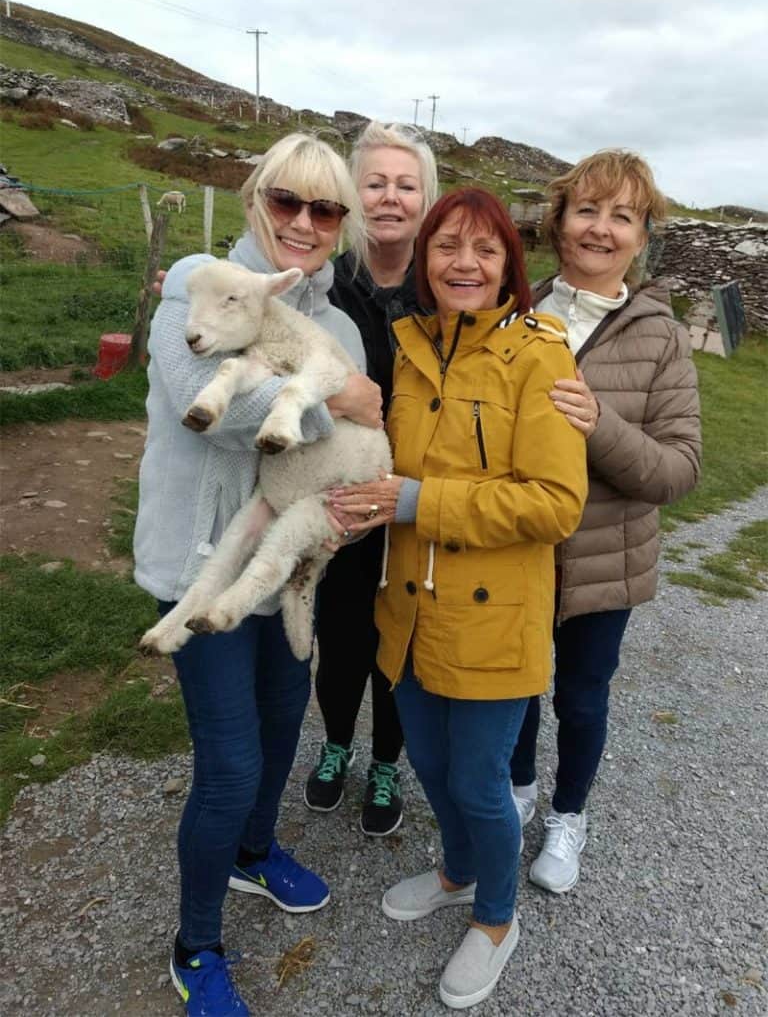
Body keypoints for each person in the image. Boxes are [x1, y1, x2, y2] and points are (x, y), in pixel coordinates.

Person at [133, 133, 382, 1017]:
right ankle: (196, 942)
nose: (305, 224)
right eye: (287, 201)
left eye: (326, 209)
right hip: (200, 559)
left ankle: (251, 855)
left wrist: (353, 480)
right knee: (231, 764)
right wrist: (336, 402)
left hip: (284, 565)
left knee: (284, 730)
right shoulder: (195, 285)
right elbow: (215, 410)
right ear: (255, 198)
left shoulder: (339, 322)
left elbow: (357, 441)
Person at [329, 188, 588, 1009]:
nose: (464, 264)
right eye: (447, 247)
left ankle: (497, 919)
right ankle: (456, 869)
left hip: (494, 618)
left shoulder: (542, 352)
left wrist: (417, 502)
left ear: (510, 262)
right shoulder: (408, 347)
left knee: (480, 783)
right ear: (425, 258)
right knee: (432, 766)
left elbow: (554, 502)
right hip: (408, 604)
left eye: (484, 249)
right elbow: (381, 460)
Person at [509, 149, 702, 895]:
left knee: (583, 694)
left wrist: (600, 425)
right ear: (559, 221)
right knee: (517, 684)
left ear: (641, 235)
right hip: (519, 544)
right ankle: (520, 788)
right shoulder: (516, 308)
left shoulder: (661, 335)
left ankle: (568, 815)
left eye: (622, 216)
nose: (601, 228)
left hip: (605, 560)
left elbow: (679, 468)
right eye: (587, 209)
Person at [305, 122, 439, 836]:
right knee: (342, 629)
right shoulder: (326, 278)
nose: (390, 196)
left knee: (402, 634)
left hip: (415, 495)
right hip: (343, 488)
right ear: (353, 194)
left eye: (406, 184)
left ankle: (387, 759)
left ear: (425, 198)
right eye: (375, 182)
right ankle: (334, 745)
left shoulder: (443, 284)